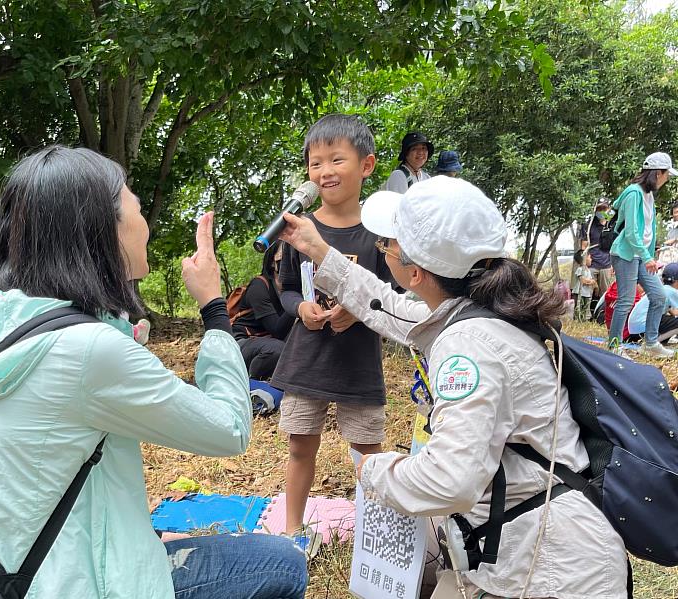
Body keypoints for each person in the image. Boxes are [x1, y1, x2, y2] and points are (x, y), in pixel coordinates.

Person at [0, 146, 307, 599]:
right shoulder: (87, 351)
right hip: (73, 584)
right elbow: (230, 430)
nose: (146, 225)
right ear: (102, 232)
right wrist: (215, 311)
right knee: (283, 563)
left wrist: (147, 536)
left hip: (16, 565)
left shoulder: (5, 315)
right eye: (135, 208)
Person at [278, 176, 628, 598]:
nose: (384, 249)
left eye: (388, 244)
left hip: (547, 572)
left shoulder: (469, 346)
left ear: (417, 272)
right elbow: (388, 309)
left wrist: (372, 470)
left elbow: (449, 481)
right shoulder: (482, 311)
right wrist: (319, 250)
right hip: (525, 541)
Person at [269, 114, 395, 540]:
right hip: (308, 358)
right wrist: (300, 307)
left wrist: (359, 310)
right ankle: (291, 529)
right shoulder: (299, 229)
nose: (324, 172)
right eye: (315, 163)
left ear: (367, 165)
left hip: (358, 362)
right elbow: (285, 289)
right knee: (300, 444)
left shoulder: (378, 235)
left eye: (336, 160)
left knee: (367, 451)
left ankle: (377, 535)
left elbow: (391, 296)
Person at [608, 151, 677, 357]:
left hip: (640, 256)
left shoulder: (648, 196)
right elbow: (631, 232)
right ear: (658, 173)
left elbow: (648, 231)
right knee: (626, 300)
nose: (667, 180)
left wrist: (649, 256)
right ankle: (614, 346)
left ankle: (651, 343)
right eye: (666, 175)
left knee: (659, 296)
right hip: (625, 254)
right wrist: (646, 257)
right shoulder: (633, 193)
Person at [233, 242, 294, 379]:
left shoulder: (289, 289)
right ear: (273, 261)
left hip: (269, 342)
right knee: (277, 350)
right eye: (286, 254)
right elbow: (277, 330)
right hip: (241, 343)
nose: (291, 259)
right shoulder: (259, 286)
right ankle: (251, 384)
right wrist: (297, 300)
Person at [626, 263, 678, 346]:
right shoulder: (672, 291)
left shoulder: (662, 289)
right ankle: (652, 343)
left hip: (634, 332)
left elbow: (674, 312)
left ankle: (654, 341)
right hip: (643, 330)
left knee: (669, 318)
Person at [579, 199, 615, 298]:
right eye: (600, 209)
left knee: (604, 294)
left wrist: (613, 264)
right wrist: (584, 262)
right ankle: (585, 312)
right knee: (588, 294)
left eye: (604, 209)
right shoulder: (588, 225)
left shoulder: (611, 225)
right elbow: (584, 246)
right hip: (592, 264)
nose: (602, 212)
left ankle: (601, 313)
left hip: (606, 264)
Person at [572, 250, 596, 321]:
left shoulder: (588, 270)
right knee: (578, 307)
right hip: (579, 293)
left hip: (586, 293)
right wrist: (590, 282)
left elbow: (592, 280)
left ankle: (583, 319)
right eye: (590, 257)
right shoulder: (580, 269)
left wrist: (591, 282)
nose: (591, 259)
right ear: (585, 258)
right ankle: (577, 319)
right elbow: (583, 280)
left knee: (585, 307)